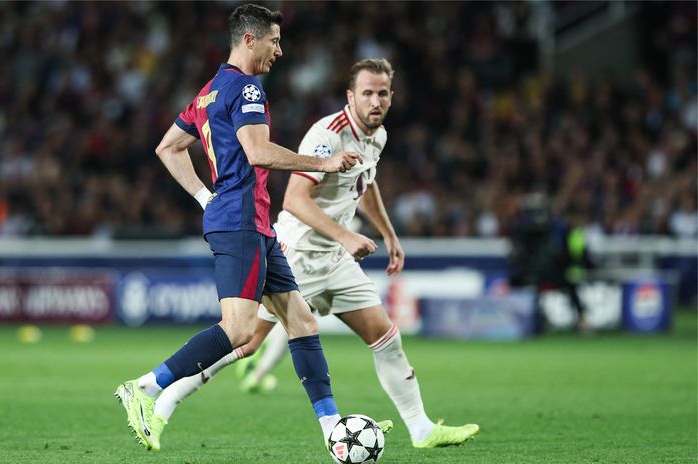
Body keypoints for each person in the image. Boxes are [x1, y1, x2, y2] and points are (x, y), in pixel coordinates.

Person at [149, 59, 480, 450]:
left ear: (392, 97)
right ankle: (164, 402)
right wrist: (346, 236)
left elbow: (365, 183)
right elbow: (294, 199)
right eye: (367, 93)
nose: (375, 101)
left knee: (385, 337)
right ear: (350, 97)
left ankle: (422, 430)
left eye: (382, 94)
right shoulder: (328, 134)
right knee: (246, 341)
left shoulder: (377, 136)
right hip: (299, 253)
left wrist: (389, 234)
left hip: (334, 258)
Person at [114, 4, 376, 453]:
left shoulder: (210, 91)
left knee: (301, 321)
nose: (280, 50)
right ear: (250, 40)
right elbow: (257, 152)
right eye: (274, 40)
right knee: (238, 330)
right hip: (240, 221)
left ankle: (333, 429)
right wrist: (324, 163)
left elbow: (168, 147)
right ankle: (145, 387)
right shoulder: (247, 88)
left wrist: (204, 198)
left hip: (249, 221)